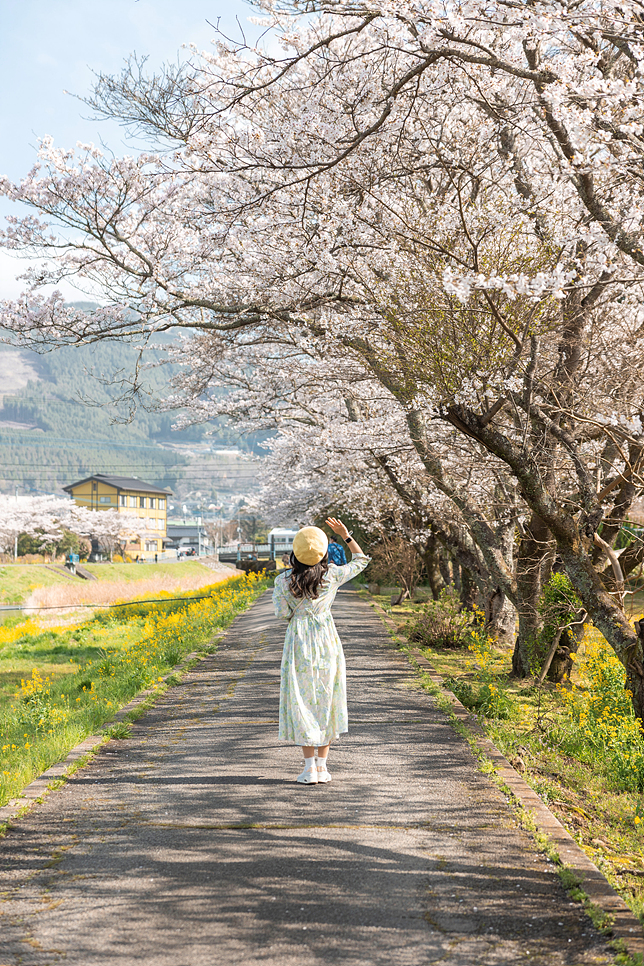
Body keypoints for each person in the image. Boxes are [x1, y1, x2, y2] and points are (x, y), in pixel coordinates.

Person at [272, 517, 370, 784]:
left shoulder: (283, 581)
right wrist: (346, 535)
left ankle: (308, 769)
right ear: (324, 552)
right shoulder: (333, 575)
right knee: (327, 697)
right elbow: (361, 560)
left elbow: (282, 614)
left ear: (294, 553)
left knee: (302, 700)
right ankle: (323, 766)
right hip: (326, 639)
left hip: (299, 641)